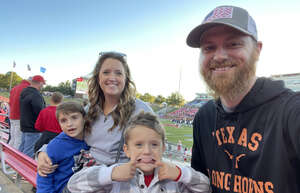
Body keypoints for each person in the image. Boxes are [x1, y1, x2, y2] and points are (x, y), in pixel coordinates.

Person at [186, 5, 300, 192]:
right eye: (209, 47)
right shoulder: (203, 117)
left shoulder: (289, 111)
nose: (220, 56)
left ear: (257, 50)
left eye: (233, 44)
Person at [37, 52, 153, 178]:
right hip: (87, 175)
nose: (112, 77)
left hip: (122, 179)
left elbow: (154, 152)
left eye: (118, 73)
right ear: (98, 78)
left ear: (126, 79)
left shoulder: (141, 110)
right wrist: (44, 152)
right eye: (106, 72)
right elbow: (68, 135)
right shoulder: (91, 108)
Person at [67, 112, 211, 193]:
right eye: (139, 145)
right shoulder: (116, 178)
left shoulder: (174, 178)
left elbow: (205, 187)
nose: (147, 151)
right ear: (127, 150)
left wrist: (181, 173)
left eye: (154, 145)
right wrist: (111, 173)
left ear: (163, 148)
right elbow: (74, 186)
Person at [36, 101, 89, 193]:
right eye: (63, 120)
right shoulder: (56, 146)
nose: (69, 124)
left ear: (84, 118)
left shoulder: (92, 138)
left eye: (74, 118)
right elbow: (44, 176)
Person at [19, 75, 46, 158]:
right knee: (29, 152)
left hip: (24, 124)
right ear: (40, 83)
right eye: (42, 84)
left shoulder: (24, 92)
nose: (42, 86)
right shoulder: (35, 94)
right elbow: (40, 112)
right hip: (33, 127)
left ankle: (18, 166)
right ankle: (23, 169)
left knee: (22, 148)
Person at [8, 77, 31, 149]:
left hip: (12, 116)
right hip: (20, 117)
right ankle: (13, 158)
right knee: (18, 140)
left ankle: (6, 156)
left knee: (13, 137)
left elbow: (10, 102)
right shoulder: (28, 88)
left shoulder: (15, 88)